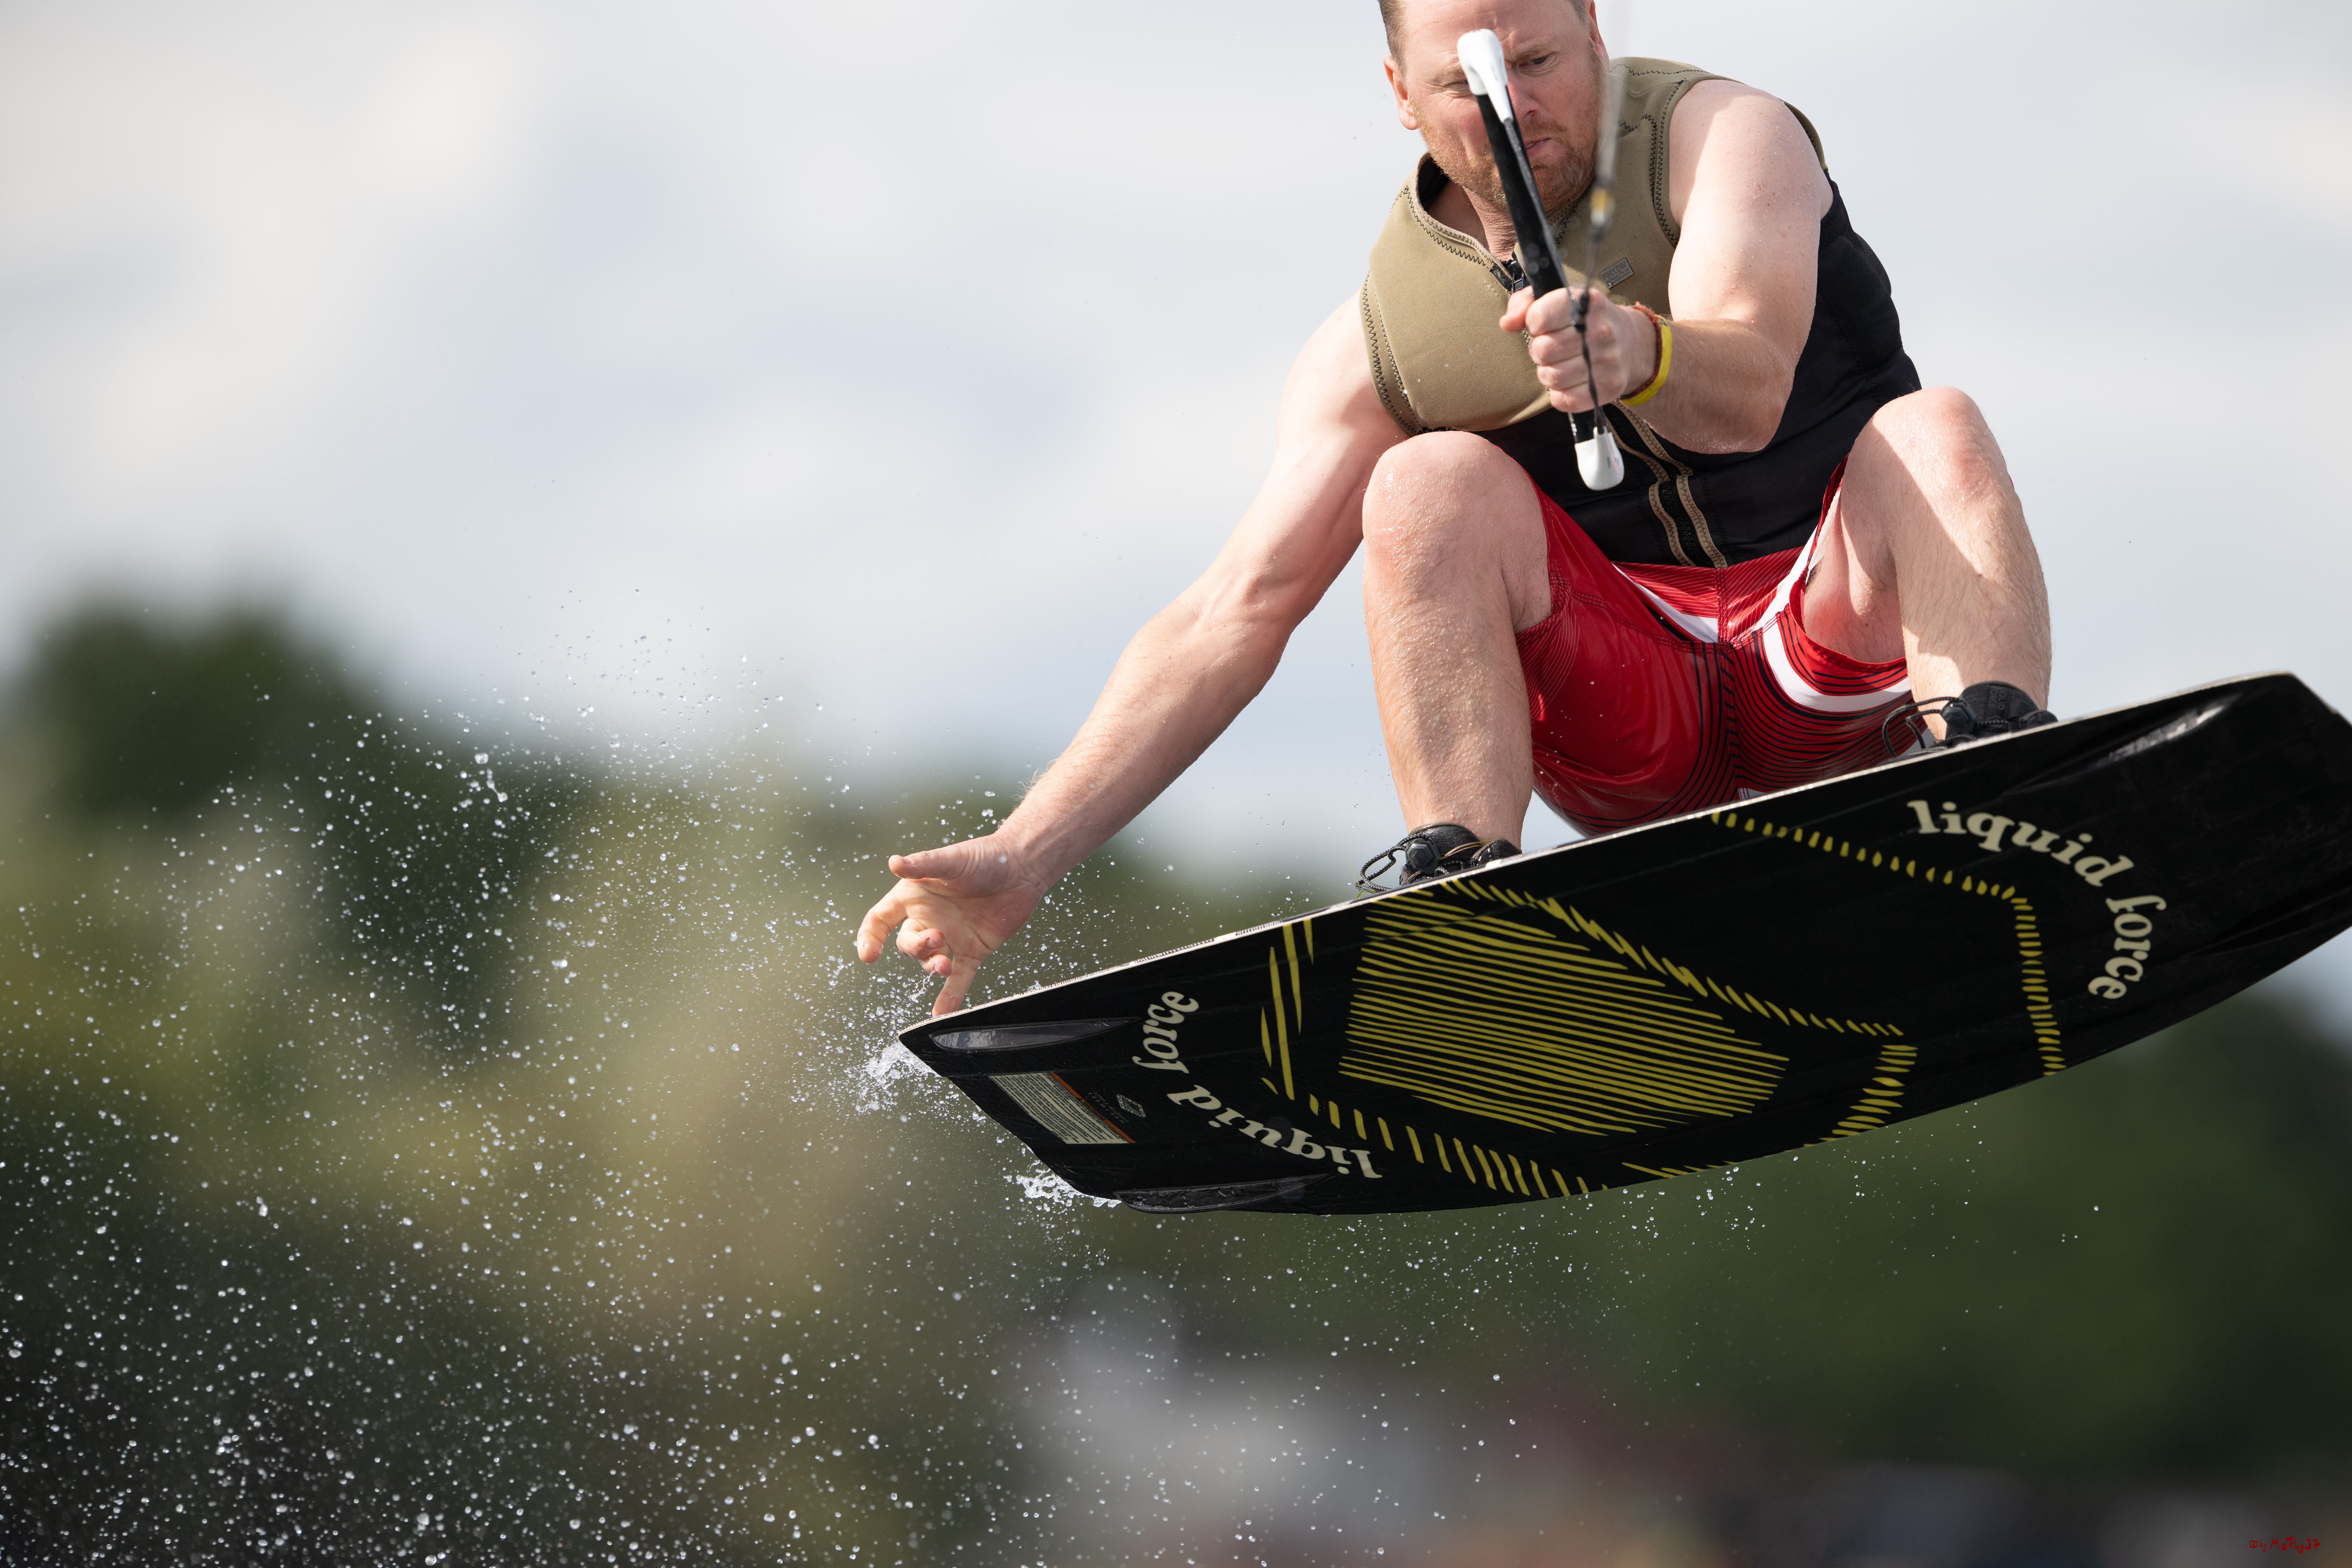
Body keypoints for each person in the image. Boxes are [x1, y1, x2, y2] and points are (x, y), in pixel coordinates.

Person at [856, 0, 2053, 1016]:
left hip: (1833, 655)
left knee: (1934, 424)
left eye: (1538, 62)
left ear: (1593, 32)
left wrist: (1633, 346)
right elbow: (1233, 610)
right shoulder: (1390, 338)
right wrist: (1024, 857)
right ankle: (1466, 889)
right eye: (1468, 81)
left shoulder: (1727, 139)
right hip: (1633, 715)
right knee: (1424, 483)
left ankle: (1993, 797)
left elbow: (1747, 392)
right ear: (1403, 94)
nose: (1514, 105)